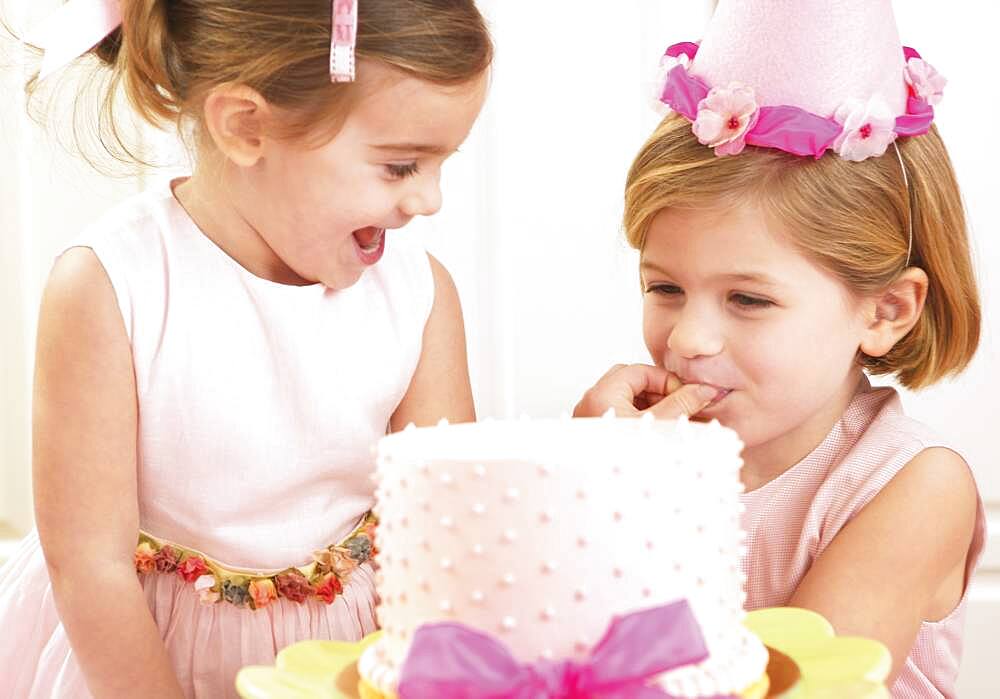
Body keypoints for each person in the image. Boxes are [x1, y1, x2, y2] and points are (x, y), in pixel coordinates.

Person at [0, 1, 492, 696]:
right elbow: (90, 567)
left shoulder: (418, 296)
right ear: (246, 125)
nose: (430, 200)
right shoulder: (113, 287)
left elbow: (446, 529)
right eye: (401, 165)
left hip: (354, 659)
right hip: (145, 662)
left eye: (439, 164)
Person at [574, 1, 985, 695]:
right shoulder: (652, 454)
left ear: (884, 312)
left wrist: (626, 506)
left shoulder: (913, 487)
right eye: (665, 286)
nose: (687, 338)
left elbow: (791, 686)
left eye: (748, 299)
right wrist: (578, 480)